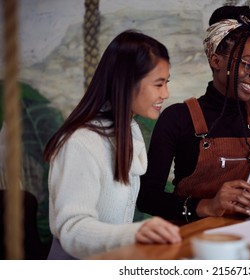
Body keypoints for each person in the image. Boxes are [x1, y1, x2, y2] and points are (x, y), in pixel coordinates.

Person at [43, 30, 181, 259]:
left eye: (167, 82)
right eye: (158, 84)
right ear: (127, 83)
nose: (166, 93)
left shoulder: (129, 131)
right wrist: (134, 234)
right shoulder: (81, 142)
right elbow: (73, 228)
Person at [137, 6, 250, 224]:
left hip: (245, 230)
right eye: (248, 65)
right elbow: (148, 198)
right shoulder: (177, 118)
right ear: (216, 61)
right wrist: (208, 206)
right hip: (190, 235)